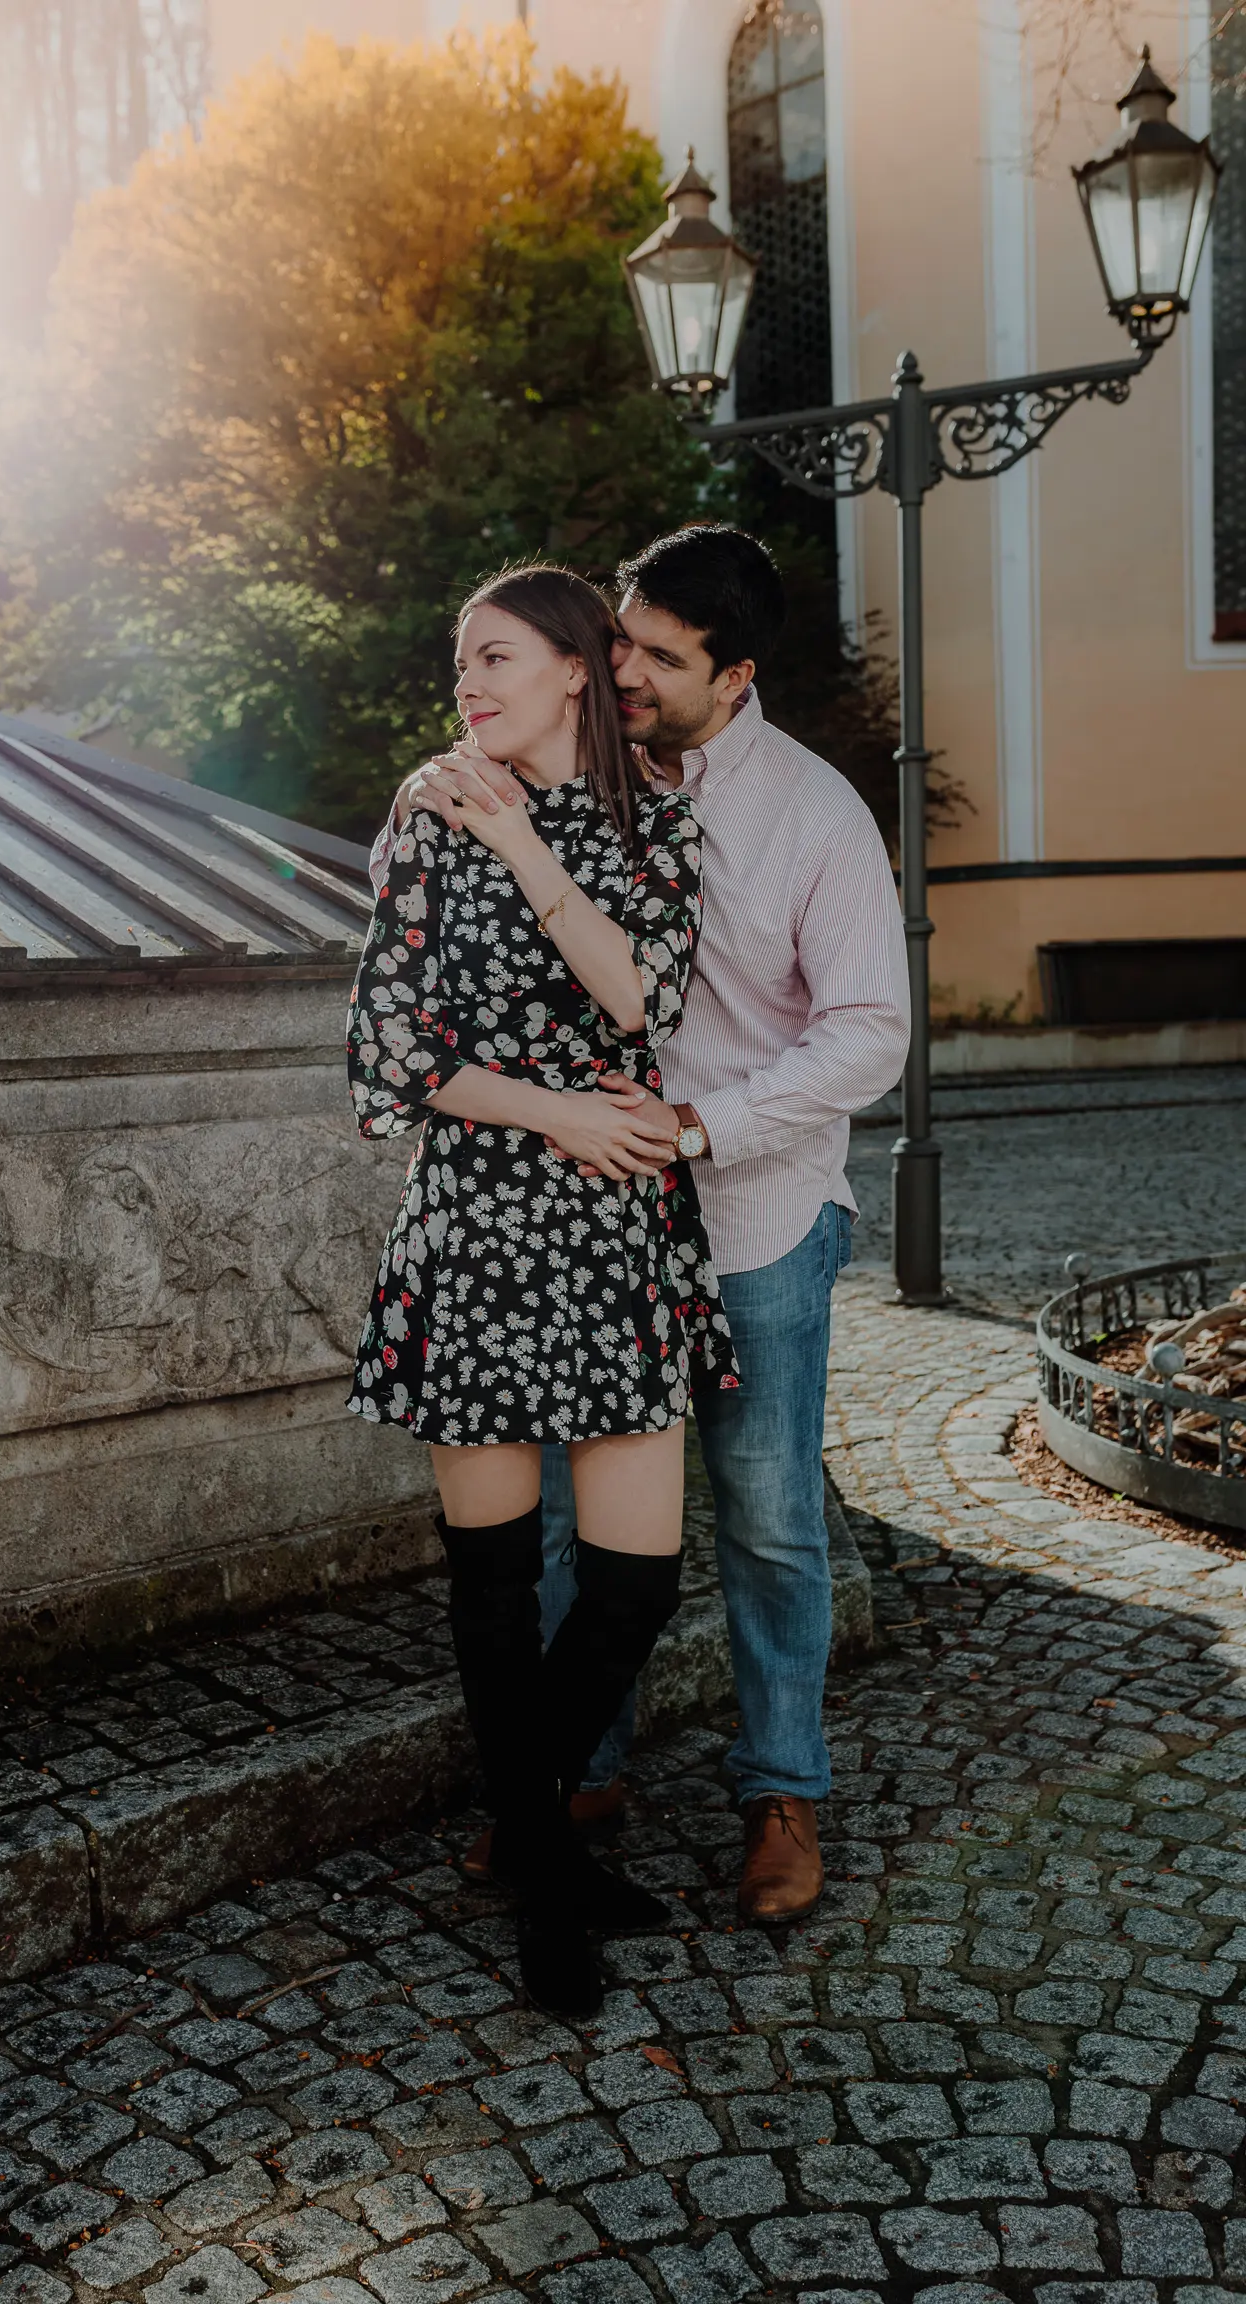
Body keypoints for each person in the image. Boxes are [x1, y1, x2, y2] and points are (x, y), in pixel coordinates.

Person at [379, 526, 910, 1927]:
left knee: (768, 1517)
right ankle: (568, 1778)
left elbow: (870, 1034)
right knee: (556, 1527)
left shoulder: (811, 814)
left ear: (732, 677)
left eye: (657, 657)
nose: (624, 668)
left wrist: (700, 1130)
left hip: (751, 1210)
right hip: (589, 1225)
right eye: (614, 640)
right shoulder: (566, 779)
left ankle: (780, 1791)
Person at [346, 563, 737, 2014]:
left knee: (636, 1580)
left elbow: (643, 999)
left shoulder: (656, 817)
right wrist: (558, 1111)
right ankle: (548, 1896)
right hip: (483, 1226)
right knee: (499, 1585)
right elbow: (392, 1054)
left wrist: (528, 844)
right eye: (461, 664)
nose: (471, 685)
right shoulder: (425, 810)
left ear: (577, 667)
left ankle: (526, 1836)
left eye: (497, 657)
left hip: (618, 1246)